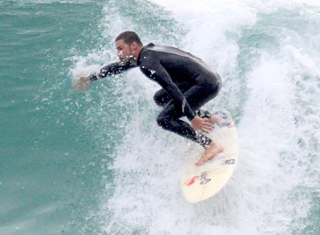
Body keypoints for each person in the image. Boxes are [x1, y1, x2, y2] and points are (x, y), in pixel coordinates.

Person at [74, 31, 224, 166]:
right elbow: (118, 67)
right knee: (160, 98)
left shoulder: (147, 64)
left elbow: (172, 88)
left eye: (121, 48)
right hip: (209, 78)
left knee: (164, 119)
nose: (118, 54)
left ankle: (209, 145)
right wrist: (91, 78)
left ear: (133, 45)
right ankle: (209, 117)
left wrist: (192, 118)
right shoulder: (149, 51)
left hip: (206, 85)